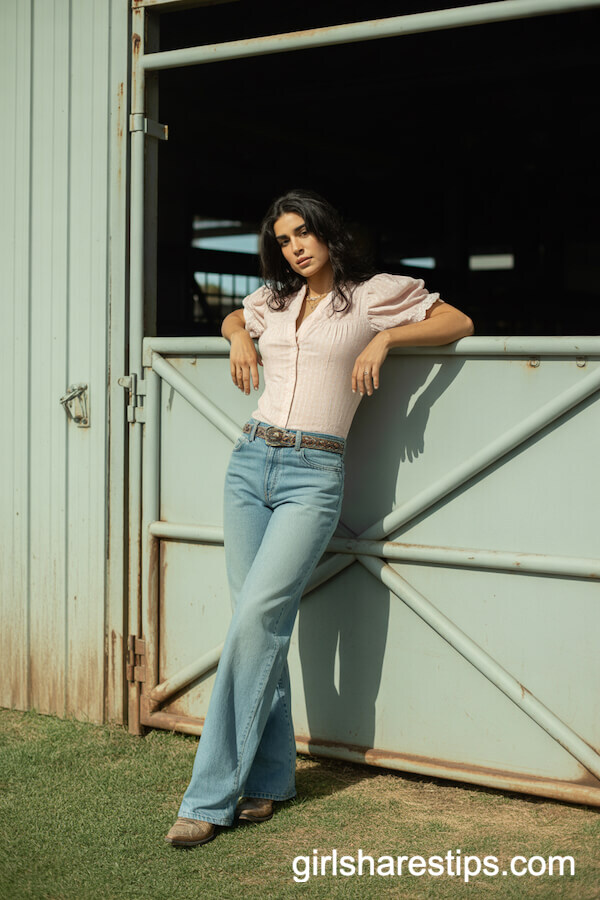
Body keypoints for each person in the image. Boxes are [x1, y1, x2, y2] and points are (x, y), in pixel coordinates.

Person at [165, 190, 474, 847]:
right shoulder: (273, 301)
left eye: (303, 233)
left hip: (314, 472)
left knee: (256, 619)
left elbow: (458, 321)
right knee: (257, 626)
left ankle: (208, 797)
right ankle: (271, 778)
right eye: (283, 240)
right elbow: (234, 316)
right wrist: (238, 337)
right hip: (249, 463)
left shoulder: (369, 296)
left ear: (328, 233)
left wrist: (385, 338)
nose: (295, 247)